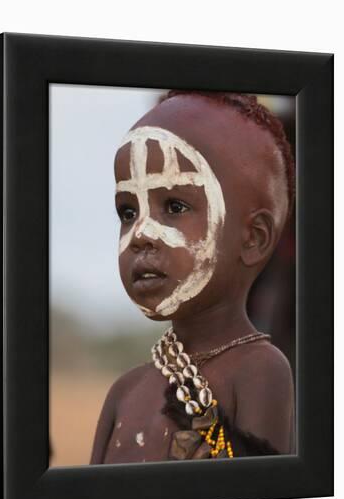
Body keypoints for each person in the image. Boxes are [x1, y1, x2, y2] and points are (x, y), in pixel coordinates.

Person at [90, 91, 295, 464]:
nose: (141, 234)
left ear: (253, 238)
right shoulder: (124, 392)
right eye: (128, 212)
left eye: (175, 206)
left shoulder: (260, 370)